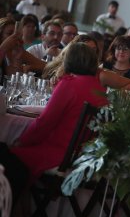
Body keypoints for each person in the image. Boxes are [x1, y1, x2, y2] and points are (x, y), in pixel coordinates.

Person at [11, 42, 108, 180]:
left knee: (8, 154)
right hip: (80, 156)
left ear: (67, 60)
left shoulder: (69, 83)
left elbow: (45, 122)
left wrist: (22, 141)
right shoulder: (101, 90)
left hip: (58, 154)